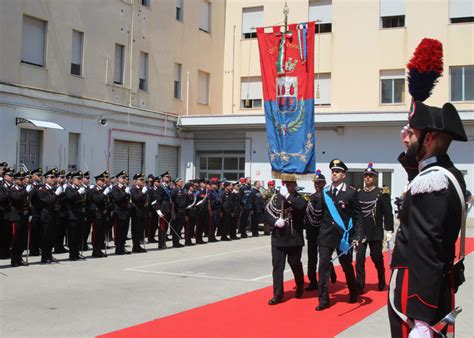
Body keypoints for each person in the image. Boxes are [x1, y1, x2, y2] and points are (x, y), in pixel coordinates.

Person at [388, 101, 468, 338]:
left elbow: (427, 247)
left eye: (411, 134)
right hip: (431, 286)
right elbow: (418, 172)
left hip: (416, 291)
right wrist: (412, 145)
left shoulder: (432, 183)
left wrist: (421, 319)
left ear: (429, 138)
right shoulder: (443, 173)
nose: (406, 138)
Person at [316, 159, 364, 311]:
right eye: (333, 171)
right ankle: (323, 299)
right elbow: (320, 215)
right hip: (326, 236)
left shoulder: (351, 192)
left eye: (337, 172)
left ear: (344, 175)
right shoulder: (325, 192)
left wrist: (357, 236)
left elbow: (358, 217)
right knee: (323, 266)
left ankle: (353, 291)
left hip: (343, 237)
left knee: (346, 266)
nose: (334, 174)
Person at [265, 176, 307, 305]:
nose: (288, 186)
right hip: (278, 237)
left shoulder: (298, 198)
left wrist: (288, 196)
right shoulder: (275, 198)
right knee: (278, 266)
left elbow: (302, 207)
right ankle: (278, 294)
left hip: (293, 238)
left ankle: (300, 285)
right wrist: (275, 222)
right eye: (285, 184)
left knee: (295, 263)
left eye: (290, 184)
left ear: (295, 185)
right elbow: (266, 212)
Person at [355, 163, 394, 294]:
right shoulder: (358, 193)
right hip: (361, 231)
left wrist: (389, 230)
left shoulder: (381, 193)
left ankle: (381, 277)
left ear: (375, 178)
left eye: (370, 176)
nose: (367, 178)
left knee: (375, 256)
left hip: (375, 231)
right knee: (359, 259)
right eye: (366, 175)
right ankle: (360, 285)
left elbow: (388, 213)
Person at [304, 170, 337, 291]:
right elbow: (307, 216)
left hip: (324, 232)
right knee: (311, 258)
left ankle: (330, 272)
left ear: (324, 183)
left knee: (324, 257)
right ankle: (312, 281)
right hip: (312, 232)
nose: (317, 185)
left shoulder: (328, 198)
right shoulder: (310, 198)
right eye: (315, 183)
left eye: (319, 183)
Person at [38, 168, 61, 264]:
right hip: (46, 216)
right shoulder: (42, 189)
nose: (53, 179)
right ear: (46, 179)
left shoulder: (53, 189)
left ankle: (49, 255)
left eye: (54, 177)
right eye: (51, 177)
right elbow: (48, 201)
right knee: (45, 237)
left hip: (54, 215)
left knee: (52, 237)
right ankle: (44, 257)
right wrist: (56, 194)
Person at [8, 169, 30, 267]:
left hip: (24, 216)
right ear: (15, 180)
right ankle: (14, 260)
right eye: (20, 180)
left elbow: (28, 202)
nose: (22, 181)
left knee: (23, 239)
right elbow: (16, 198)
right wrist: (25, 191)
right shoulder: (12, 189)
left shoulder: (22, 189)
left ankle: (19, 257)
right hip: (16, 217)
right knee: (16, 240)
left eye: (23, 179)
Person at [65, 171, 87, 261]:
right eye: (78, 179)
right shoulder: (69, 188)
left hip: (80, 215)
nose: (80, 181)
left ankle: (77, 253)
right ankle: (72, 254)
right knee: (72, 236)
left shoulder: (80, 189)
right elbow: (70, 198)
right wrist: (78, 192)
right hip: (72, 216)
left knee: (79, 236)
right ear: (73, 180)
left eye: (80, 179)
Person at [89, 170, 109, 258]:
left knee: (101, 233)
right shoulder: (94, 190)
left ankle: (99, 249)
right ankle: (95, 250)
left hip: (103, 214)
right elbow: (98, 200)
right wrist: (104, 193)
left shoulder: (104, 190)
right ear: (97, 181)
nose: (104, 182)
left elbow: (107, 202)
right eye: (102, 180)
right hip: (97, 215)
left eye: (104, 180)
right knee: (96, 233)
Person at [111, 170, 132, 255]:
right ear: (118, 179)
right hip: (119, 213)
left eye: (125, 178)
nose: (124, 180)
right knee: (119, 231)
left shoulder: (125, 188)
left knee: (124, 231)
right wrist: (125, 193)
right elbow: (117, 198)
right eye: (122, 178)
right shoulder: (115, 188)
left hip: (126, 212)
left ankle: (122, 247)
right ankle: (118, 248)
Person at [153, 171, 172, 249]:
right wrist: (158, 210)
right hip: (163, 209)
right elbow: (157, 200)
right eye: (167, 177)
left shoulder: (168, 187)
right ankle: (161, 244)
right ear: (163, 178)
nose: (168, 178)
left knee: (166, 227)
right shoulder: (161, 187)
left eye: (169, 177)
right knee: (162, 227)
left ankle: (164, 242)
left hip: (168, 209)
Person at [130, 173, 148, 253]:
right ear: (135, 181)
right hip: (136, 212)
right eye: (140, 180)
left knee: (141, 230)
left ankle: (138, 245)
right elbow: (136, 198)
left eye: (143, 180)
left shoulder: (142, 189)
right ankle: (135, 246)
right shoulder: (133, 189)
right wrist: (143, 193)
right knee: (136, 230)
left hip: (143, 212)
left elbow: (145, 199)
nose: (142, 181)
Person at [170, 177, 186, 248]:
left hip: (182, 211)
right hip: (177, 211)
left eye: (182, 181)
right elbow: (172, 202)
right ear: (177, 183)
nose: (182, 183)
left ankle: (177, 241)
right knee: (176, 227)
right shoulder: (174, 190)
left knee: (179, 227)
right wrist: (173, 213)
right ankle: (175, 242)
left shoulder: (182, 190)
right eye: (181, 181)